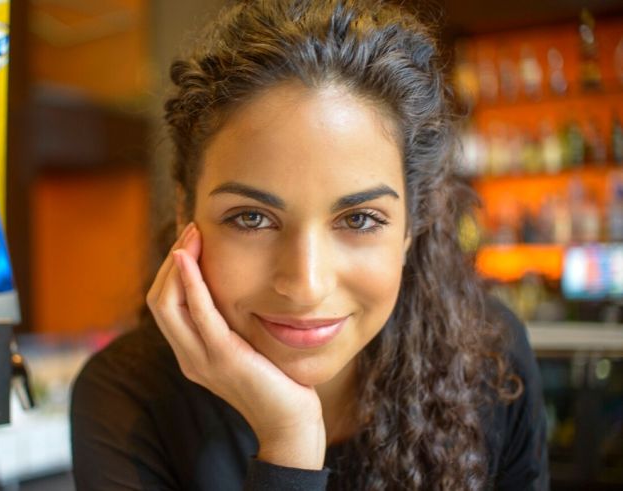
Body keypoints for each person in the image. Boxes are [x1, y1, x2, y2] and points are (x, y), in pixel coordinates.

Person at [70, 0, 549, 489]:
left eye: (359, 219)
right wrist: (288, 443)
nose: (305, 284)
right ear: (184, 214)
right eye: (252, 218)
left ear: (411, 225)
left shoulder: (489, 360)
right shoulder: (128, 397)